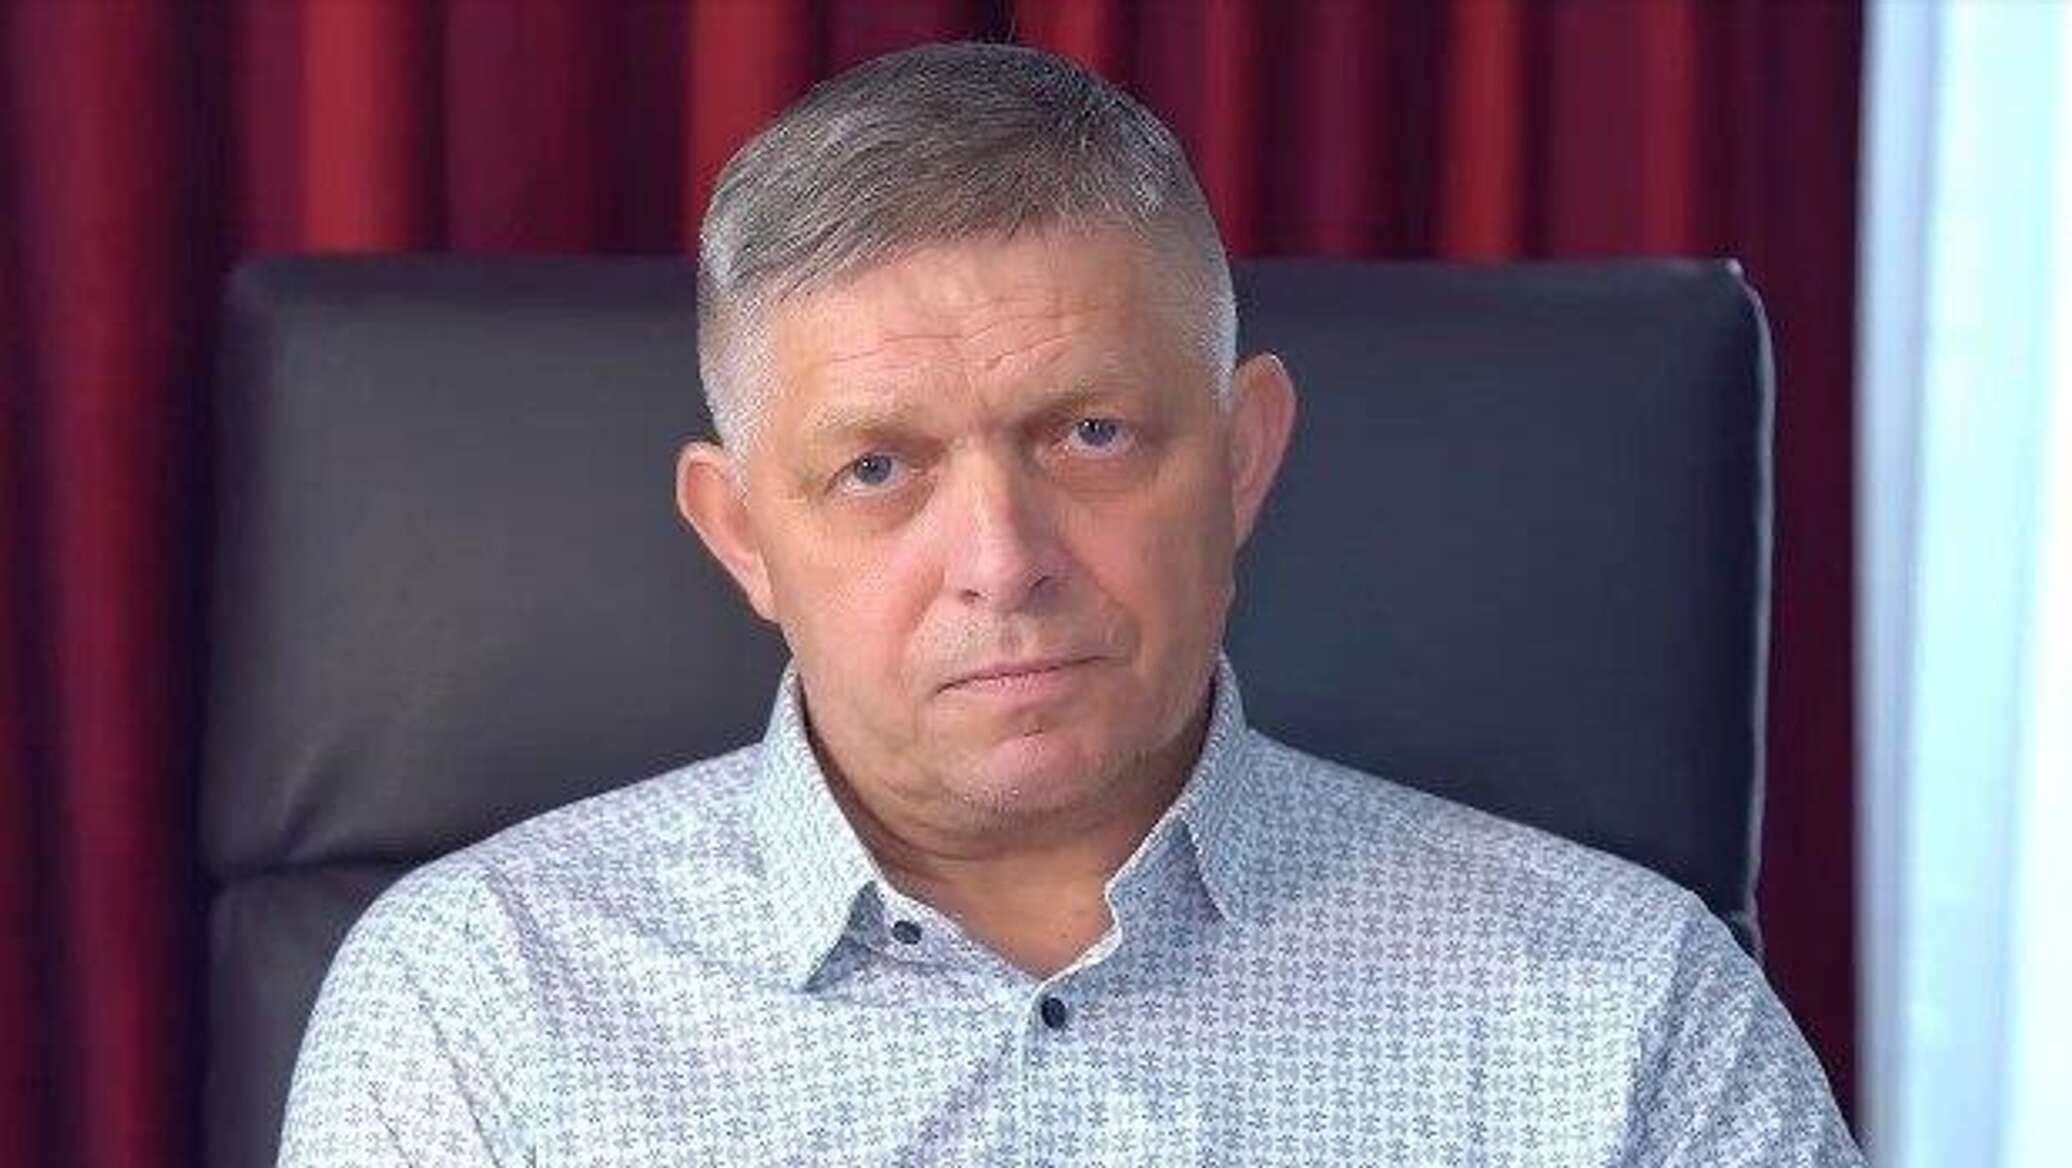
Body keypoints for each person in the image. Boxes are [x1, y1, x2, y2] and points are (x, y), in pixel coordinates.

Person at [277, 41, 1861, 1166]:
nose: (1003, 557)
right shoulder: (481, 1005)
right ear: (743, 535)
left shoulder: (1624, 1012)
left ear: (1242, 459)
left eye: (1089, 435)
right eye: (878, 468)